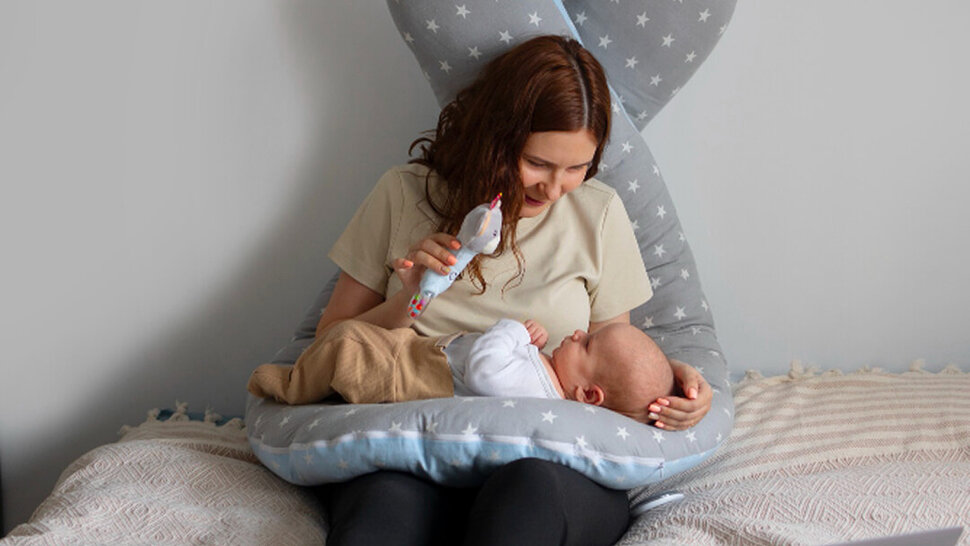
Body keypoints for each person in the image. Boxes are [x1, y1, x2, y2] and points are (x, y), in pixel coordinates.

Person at [315, 35, 712, 546]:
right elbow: (330, 347)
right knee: (381, 512)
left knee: (525, 499)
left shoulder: (598, 213)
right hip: (413, 447)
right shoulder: (403, 194)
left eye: (577, 167)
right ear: (496, 138)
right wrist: (410, 298)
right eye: (538, 163)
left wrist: (674, 383)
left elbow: (613, 357)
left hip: (545, 466)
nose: (555, 188)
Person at [248, 316, 675, 424]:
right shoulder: (548, 379)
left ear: (587, 395)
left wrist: (513, 330)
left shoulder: (538, 389)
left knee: (345, 344)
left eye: (587, 344)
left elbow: (485, 370)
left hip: (406, 375)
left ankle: (292, 385)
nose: (579, 332)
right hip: (421, 353)